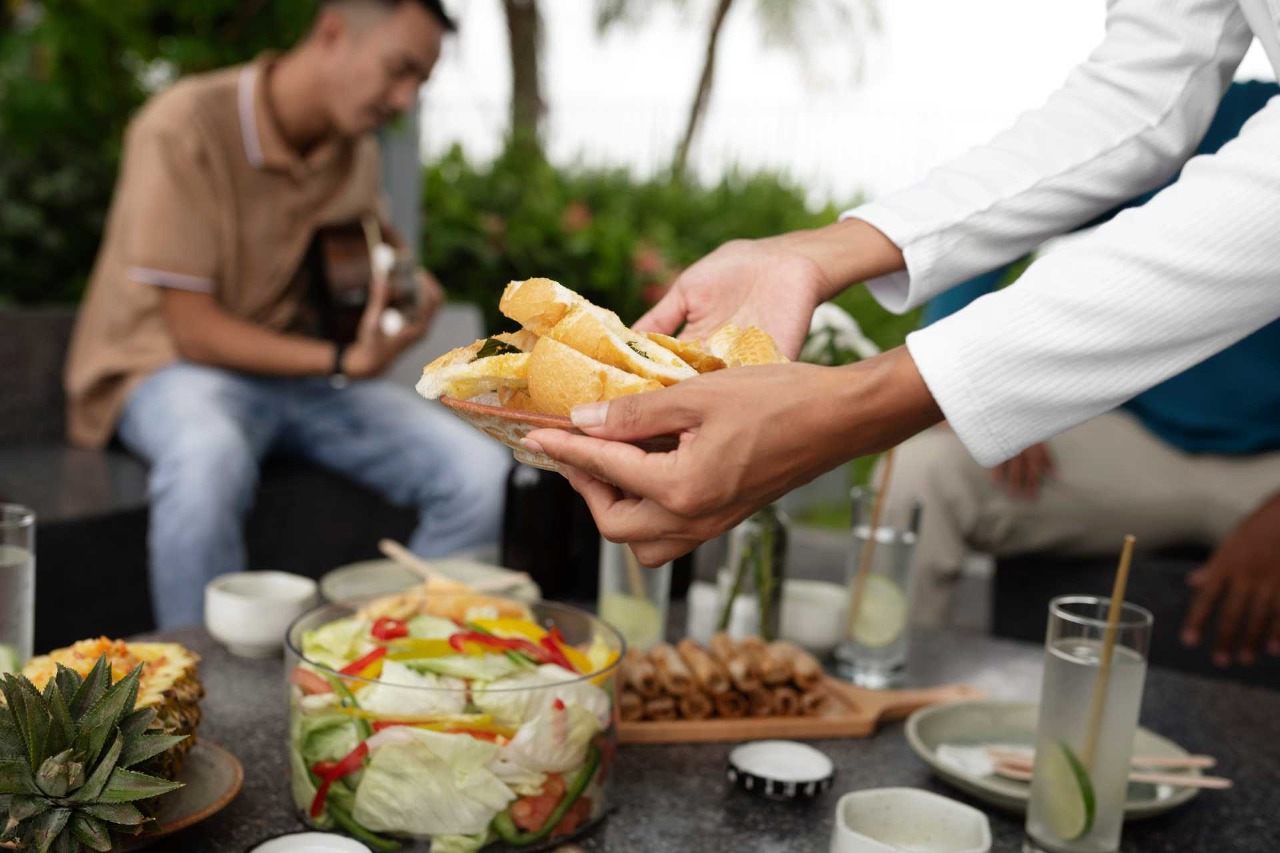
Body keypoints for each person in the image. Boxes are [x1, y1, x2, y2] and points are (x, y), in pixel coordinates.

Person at [525, 0, 1280, 666]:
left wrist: (860, 402)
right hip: (1146, 434)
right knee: (920, 473)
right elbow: (1144, 93)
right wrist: (813, 254)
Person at [64, 0, 507, 629]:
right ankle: (202, 691)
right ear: (332, 34)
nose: (404, 100)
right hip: (162, 367)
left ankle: (390, 662)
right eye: (398, 69)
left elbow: (376, 258)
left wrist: (407, 291)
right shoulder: (184, 125)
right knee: (208, 456)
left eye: (420, 83)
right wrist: (339, 360)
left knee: (479, 472)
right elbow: (192, 329)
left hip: (299, 378)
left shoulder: (355, 150)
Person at [889, 83, 1280, 665]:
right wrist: (977, 387)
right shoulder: (1215, 110)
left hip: (1271, 472)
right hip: (1137, 437)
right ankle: (884, 695)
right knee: (923, 473)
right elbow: (1009, 218)